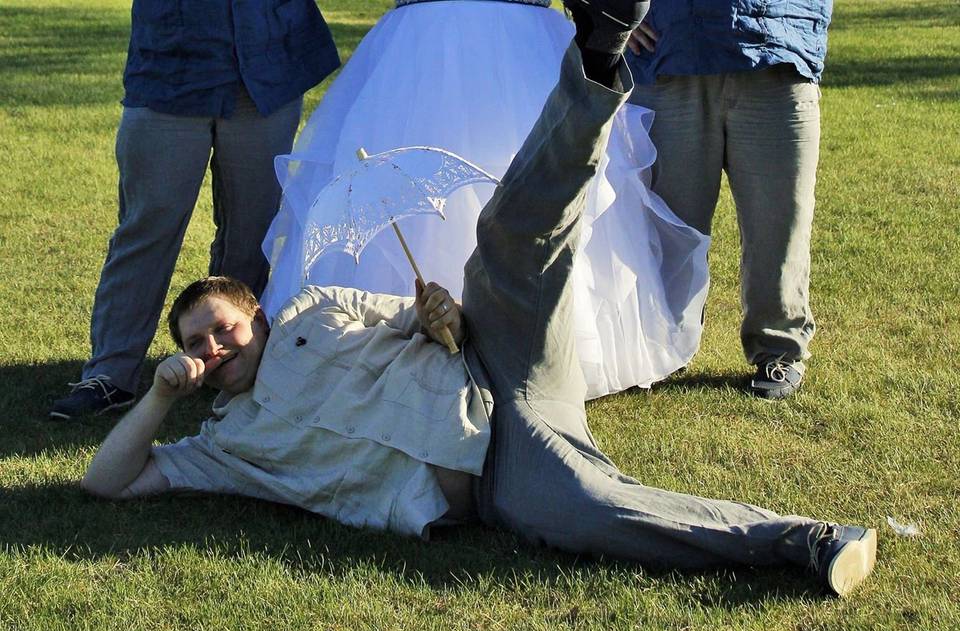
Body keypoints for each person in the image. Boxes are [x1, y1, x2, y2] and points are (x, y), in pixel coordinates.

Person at [82, 3, 876, 597]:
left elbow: (412, 320)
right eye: (196, 348)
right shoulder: (230, 446)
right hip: (499, 473)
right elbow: (105, 485)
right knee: (603, 512)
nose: (210, 349)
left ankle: (595, 66)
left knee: (509, 230)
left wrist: (436, 317)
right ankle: (806, 543)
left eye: (215, 329)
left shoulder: (315, 308)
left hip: (497, 357)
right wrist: (158, 392)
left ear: (253, 310)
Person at [259, 0, 710, 400]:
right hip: (418, 48)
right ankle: (407, 333)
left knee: (538, 174)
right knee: (411, 186)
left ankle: (533, 343)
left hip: (523, 42)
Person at [49, 0, 341, 420]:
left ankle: (231, 367)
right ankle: (110, 376)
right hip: (170, 67)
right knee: (148, 227)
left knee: (252, 232)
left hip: (268, 65)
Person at [625, 1, 832, 399]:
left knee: (779, 223)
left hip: (779, 48)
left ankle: (779, 349)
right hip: (670, 51)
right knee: (668, 224)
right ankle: (664, 347)